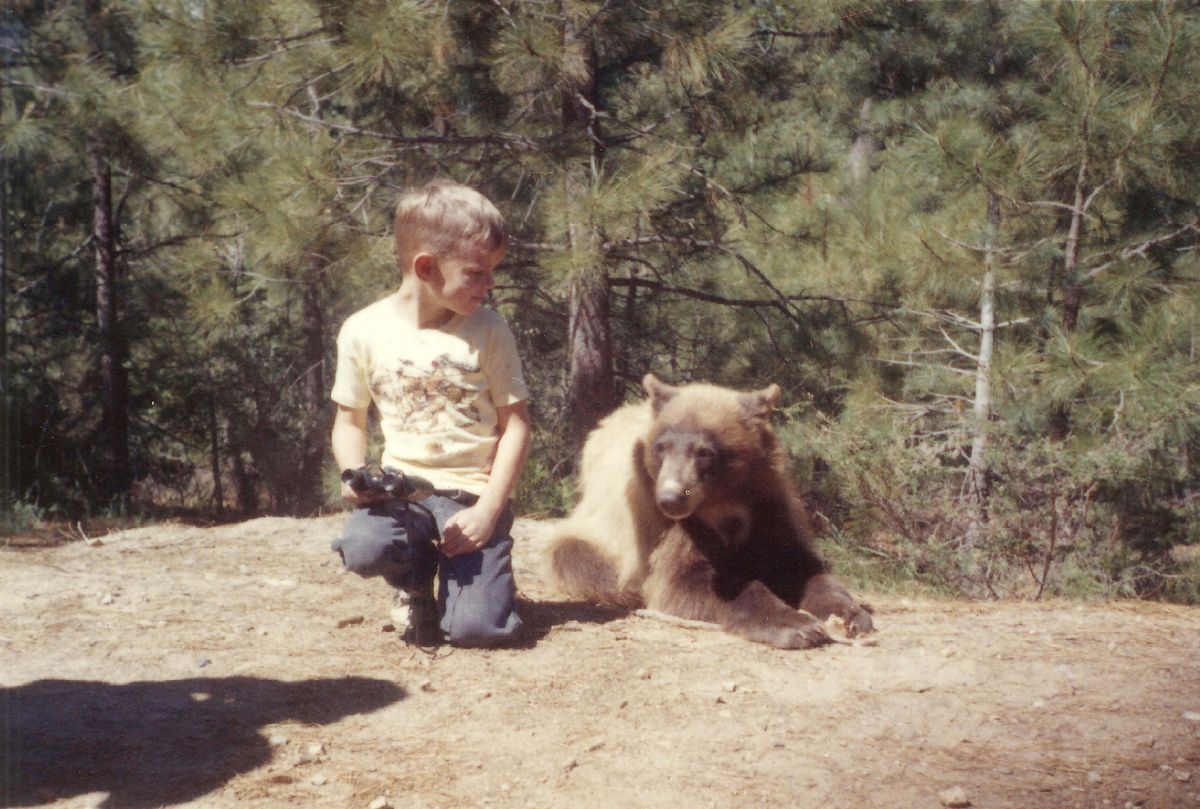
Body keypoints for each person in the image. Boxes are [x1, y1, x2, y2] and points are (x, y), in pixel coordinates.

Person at [329, 180, 530, 648]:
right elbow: (348, 421)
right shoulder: (362, 331)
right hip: (405, 495)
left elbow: (516, 424)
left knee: (477, 631)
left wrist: (488, 510)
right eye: (476, 273)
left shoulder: (489, 330)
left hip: (471, 498)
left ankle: (478, 586)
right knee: (363, 547)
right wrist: (353, 473)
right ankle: (414, 584)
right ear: (427, 267)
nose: (489, 285)